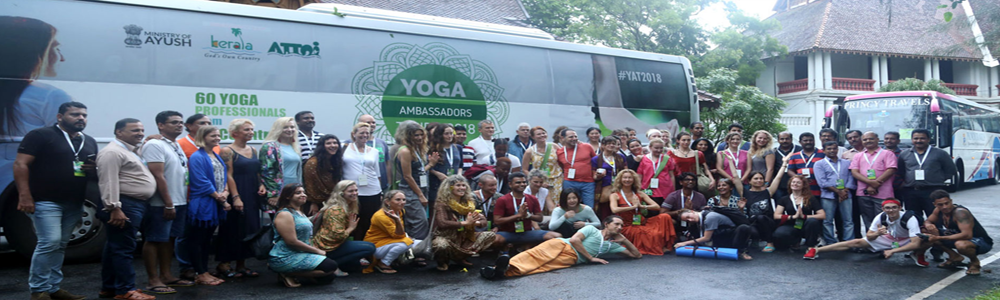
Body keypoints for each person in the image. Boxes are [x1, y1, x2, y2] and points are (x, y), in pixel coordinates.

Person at [15, 102, 96, 300]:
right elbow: (20, 164)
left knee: (60, 245)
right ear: (60, 117)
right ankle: (38, 290)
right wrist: (24, 195)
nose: (81, 118)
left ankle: (53, 288)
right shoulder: (40, 135)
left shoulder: (89, 141)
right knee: (49, 242)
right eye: (75, 114)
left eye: (84, 115)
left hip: (75, 202)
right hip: (45, 201)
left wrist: (93, 170)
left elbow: (92, 170)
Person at [1, 17, 72, 197]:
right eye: (56, 48)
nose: (62, 58)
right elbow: (64, 146)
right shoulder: (49, 96)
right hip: (28, 186)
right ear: (35, 52)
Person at [96, 118, 158, 300]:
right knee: (124, 248)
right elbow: (109, 181)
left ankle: (109, 288)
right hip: (124, 205)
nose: (139, 133)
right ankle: (125, 290)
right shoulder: (112, 152)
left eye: (141, 130)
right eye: (134, 130)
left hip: (133, 204)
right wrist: (114, 207)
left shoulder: (129, 150)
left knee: (114, 247)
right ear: (119, 132)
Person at [480, 215, 641, 279]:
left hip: (572, 258)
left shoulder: (610, 246)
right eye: (617, 224)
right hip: (562, 244)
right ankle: (501, 266)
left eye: (622, 226)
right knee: (533, 257)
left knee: (540, 267)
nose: (620, 227)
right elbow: (575, 240)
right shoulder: (592, 229)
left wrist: (624, 240)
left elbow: (636, 255)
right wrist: (591, 258)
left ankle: (499, 273)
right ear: (607, 224)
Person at [138, 111, 190, 294]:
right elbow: (158, 175)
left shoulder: (174, 144)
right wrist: (168, 203)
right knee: (154, 239)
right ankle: (153, 280)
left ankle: (167, 275)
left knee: (170, 238)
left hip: (180, 199)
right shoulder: (154, 144)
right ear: (160, 125)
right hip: (161, 203)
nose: (179, 125)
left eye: (181, 123)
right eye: (174, 122)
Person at [803, 199, 930, 266]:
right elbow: (869, 235)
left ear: (900, 208)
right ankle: (816, 250)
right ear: (883, 209)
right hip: (890, 237)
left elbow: (914, 242)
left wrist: (892, 251)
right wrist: (877, 234)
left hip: (907, 239)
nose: (891, 210)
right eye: (887, 208)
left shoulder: (909, 218)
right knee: (856, 242)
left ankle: (918, 254)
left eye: (894, 207)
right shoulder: (881, 216)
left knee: (929, 238)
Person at [216, 119, 264, 279]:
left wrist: (261, 185)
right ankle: (224, 264)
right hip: (237, 192)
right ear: (235, 133)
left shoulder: (253, 150)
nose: (251, 132)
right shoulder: (227, 151)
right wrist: (236, 197)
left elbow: (257, 171)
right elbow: (227, 174)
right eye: (246, 130)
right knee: (232, 228)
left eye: (251, 129)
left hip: (252, 194)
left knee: (249, 229)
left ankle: (241, 265)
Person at [268, 184, 340, 288]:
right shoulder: (285, 214)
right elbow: (291, 241)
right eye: (298, 193)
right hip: (285, 256)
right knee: (331, 266)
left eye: (303, 192)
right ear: (288, 196)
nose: (303, 195)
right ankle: (287, 273)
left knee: (329, 277)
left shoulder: (299, 212)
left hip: (300, 253)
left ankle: (294, 274)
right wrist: (316, 251)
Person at [187, 126, 230, 286]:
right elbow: (201, 181)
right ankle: (200, 273)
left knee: (207, 240)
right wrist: (222, 199)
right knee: (197, 239)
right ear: (203, 137)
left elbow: (223, 176)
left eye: (218, 135)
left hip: (215, 202)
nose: (217, 138)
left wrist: (225, 191)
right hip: (204, 203)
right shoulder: (197, 156)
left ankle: (204, 270)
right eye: (213, 135)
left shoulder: (215, 155)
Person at [432, 175, 498, 271]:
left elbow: (484, 221)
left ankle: (461, 258)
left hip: (464, 237)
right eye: (458, 185)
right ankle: (443, 262)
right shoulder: (442, 204)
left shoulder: (469, 203)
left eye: (463, 185)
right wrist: (465, 223)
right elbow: (442, 223)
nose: (462, 188)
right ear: (449, 188)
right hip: (447, 237)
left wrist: (475, 223)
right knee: (441, 245)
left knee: (490, 235)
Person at [311, 181, 377, 275]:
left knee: (355, 266)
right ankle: (331, 265)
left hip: (339, 243)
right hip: (328, 247)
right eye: (350, 191)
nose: (354, 193)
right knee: (370, 247)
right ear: (341, 193)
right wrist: (351, 227)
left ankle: (341, 263)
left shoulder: (349, 206)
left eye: (356, 190)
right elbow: (337, 235)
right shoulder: (336, 210)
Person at [924, 190, 993, 275]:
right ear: (935, 204)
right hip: (956, 236)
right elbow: (928, 221)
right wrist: (928, 225)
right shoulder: (938, 211)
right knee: (925, 232)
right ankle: (954, 257)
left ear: (951, 201)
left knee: (961, 245)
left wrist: (938, 238)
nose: (944, 207)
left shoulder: (960, 213)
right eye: (940, 205)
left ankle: (975, 263)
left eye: (947, 203)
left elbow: (967, 235)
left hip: (980, 241)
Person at [609, 169, 676, 255]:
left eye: (630, 178)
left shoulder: (639, 194)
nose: (627, 180)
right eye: (625, 178)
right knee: (653, 233)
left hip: (641, 221)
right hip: (627, 225)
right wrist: (633, 207)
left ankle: (664, 245)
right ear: (620, 180)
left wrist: (641, 206)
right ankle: (658, 247)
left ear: (634, 180)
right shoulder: (615, 195)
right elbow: (614, 209)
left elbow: (657, 207)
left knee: (665, 216)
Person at [898, 129, 957, 218]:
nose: (918, 141)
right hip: (911, 191)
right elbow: (901, 171)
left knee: (936, 217)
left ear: (928, 139)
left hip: (933, 190)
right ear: (912, 139)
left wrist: (938, 179)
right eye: (916, 138)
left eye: (922, 138)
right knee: (913, 218)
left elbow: (951, 170)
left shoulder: (940, 153)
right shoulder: (904, 154)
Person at [392, 120, 435, 240]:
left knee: (415, 221)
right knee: (420, 222)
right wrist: (420, 195)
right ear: (408, 136)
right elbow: (407, 176)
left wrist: (430, 165)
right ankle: (417, 250)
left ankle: (412, 250)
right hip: (410, 191)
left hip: (421, 188)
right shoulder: (405, 151)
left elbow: (419, 171)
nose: (420, 137)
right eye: (416, 135)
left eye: (421, 134)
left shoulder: (418, 149)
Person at [494, 172, 561, 246]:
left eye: (524, 182)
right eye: (518, 182)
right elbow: (497, 220)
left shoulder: (532, 198)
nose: (522, 184)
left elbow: (540, 218)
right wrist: (517, 216)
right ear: (510, 184)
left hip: (527, 232)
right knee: (495, 240)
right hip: (508, 233)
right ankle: (503, 252)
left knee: (557, 236)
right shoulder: (503, 199)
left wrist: (528, 216)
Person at [850, 131, 897, 230]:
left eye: (871, 138)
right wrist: (870, 183)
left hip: (883, 193)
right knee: (867, 219)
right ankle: (871, 241)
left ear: (877, 140)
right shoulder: (858, 156)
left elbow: (891, 169)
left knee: (885, 217)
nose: (868, 141)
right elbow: (854, 172)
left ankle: (885, 240)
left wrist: (875, 184)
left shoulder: (887, 153)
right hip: (863, 193)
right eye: (865, 139)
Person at [813, 141, 857, 245]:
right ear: (823, 150)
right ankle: (831, 242)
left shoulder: (846, 163)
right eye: (829, 149)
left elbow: (851, 178)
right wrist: (838, 192)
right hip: (828, 196)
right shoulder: (819, 164)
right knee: (827, 221)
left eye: (834, 148)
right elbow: (822, 182)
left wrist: (845, 191)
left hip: (846, 195)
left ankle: (848, 242)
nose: (832, 151)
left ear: (838, 149)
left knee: (848, 220)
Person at [364, 190, 417, 274]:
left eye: (404, 200)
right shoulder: (380, 216)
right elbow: (398, 235)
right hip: (376, 246)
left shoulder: (400, 211)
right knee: (406, 243)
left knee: (419, 242)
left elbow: (400, 234)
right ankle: (383, 263)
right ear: (387, 202)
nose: (402, 202)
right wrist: (397, 221)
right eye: (398, 199)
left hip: (390, 241)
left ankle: (411, 260)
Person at [674, 209, 756, 260]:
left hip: (733, 235)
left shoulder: (710, 217)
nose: (690, 220)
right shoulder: (698, 220)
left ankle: (742, 251)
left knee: (743, 228)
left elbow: (706, 238)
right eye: (687, 220)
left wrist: (684, 243)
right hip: (722, 237)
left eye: (689, 216)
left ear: (692, 211)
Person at [741, 164, 788, 253]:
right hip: (753, 223)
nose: (759, 180)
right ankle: (755, 240)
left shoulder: (768, 192)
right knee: (749, 228)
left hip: (768, 222)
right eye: (756, 178)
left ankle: (770, 243)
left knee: (761, 217)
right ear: (749, 181)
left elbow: (778, 178)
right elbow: (735, 178)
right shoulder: (745, 193)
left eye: (761, 178)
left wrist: (784, 164)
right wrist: (730, 161)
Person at [772, 175, 825, 250]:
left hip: (806, 224)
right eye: (793, 182)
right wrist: (793, 217)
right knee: (779, 234)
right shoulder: (784, 199)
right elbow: (776, 215)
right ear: (790, 184)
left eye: (798, 183)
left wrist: (804, 216)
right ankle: (794, 241)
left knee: (813, 222)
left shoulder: (810, 198)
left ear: (803, 186)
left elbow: (822, 215)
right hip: (792, 224)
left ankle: (811, 246)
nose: (795, 184)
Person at [260, 117, 302, 210]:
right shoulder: (270, 146)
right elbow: (266, 172)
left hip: (294, 190)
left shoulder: (295, 147)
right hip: (278, 191)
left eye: (292, 127)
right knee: (281, 221)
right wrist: (273, 193)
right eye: (285, 127)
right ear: (278, 129)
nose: (289, 130)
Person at [303, 134, 343, 216]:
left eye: (335, 143)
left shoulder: (336, 161)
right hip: (314, 203)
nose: (333, 145)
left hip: (332, 200)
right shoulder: (313, 162)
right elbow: (309, 185)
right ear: (322, 146)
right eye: (328, 143)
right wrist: (313, 203)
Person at [556, 129, 597, 207]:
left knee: (589, 207)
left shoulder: (587, 146)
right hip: (570, 182)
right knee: (570, 206)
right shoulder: (559, 152)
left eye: (575, 136)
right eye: (571, 137)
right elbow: (561, 166)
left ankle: (587, 219)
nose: (574, 138)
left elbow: (595, 161)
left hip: (588, 182)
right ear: (562, 138)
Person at [521, 126, 563, 202]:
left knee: (556, 201)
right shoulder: (529, 151)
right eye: (539, 134)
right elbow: (524, 169)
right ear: (533, 137)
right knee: (541, 202)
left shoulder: (554, 146)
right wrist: (535, 180)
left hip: (556, 179)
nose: (542, 135)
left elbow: (563, 161)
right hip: (540, 181)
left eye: (543, 133)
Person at [427, 123, 462, 211]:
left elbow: (461, 165)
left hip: (453, 183)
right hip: (437, 183)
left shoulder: (458, 147)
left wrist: (459, 175)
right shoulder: (432, 148)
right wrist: (437, 174)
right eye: (446, 134)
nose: (449, 136)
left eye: (451, 133)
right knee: (436, 209)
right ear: (440, 134)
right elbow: (427, 166)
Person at [353, 115, 390, 190]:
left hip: (380, 185)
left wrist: (389, 182)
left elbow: (387, 164)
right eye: (368, 122)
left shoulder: (382, 143)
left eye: (373, 122)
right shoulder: (350, 144)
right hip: (356, 186)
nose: (372, 124)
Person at [592, 136, 626, 218]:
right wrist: (598, 176)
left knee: (618, 210)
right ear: (603, 145)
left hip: (618, 187)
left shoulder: (621, 157)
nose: (611, 145)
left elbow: (626, 172)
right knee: (605, 211)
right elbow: (594, 177)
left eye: (613, 144)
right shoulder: (596, 159)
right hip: (604, 188)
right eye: (609, 144)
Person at [637, 138, 678, 206]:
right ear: (650, 147)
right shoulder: (644, 159)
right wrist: (638, 189)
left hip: (665, 189)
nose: (659, 150)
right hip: (648, 189)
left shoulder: (667, 158)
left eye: (661, 148)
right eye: (656, 148)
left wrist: (673, 190)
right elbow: (639, 175)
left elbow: (671, 175)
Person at [786, 132, 825, 197]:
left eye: (810, 140)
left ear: (814, 141)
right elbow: (790, 170)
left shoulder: (823, 154)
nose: (808, 142)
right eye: (805, 140)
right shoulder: (795, 155)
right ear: (800, 142)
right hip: (801, 189)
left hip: (819, 189)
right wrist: (799, 178)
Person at [772, 131, 801, 201]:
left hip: (796, 185)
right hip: (779, 185)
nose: (784, 141)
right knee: (779, 206)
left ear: (791, 139)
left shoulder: (799, 150)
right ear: (778, 140)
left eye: (787, 139)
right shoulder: (774, 152)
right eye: (782, 139)